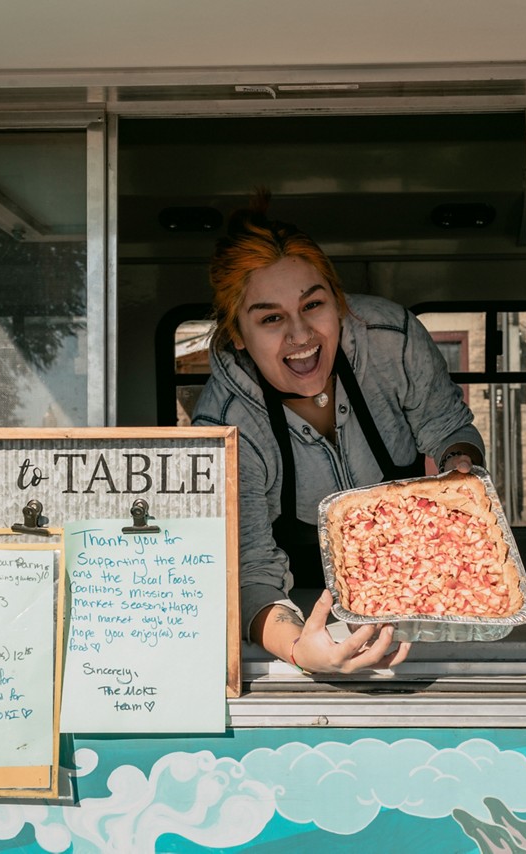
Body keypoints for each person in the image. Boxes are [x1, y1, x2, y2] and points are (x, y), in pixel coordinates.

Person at [192, 195, 485, 674]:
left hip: (421, 584)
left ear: (338, 300)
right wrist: (300, 650)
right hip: (303, 601)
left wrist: (458, 466)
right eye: (270, 318)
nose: (301, 334)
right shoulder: (226, 427)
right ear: (238, 333)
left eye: (313, 304)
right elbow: (248, 573)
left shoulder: (393, 341)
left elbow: (448, 427)